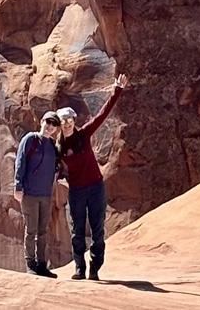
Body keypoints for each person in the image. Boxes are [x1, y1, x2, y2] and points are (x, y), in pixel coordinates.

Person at [56, 75, 128, 281]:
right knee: (77, 230)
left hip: (95, 188)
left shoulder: (84, 134)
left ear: (74, 121)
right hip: (77, 191)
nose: (67, 124)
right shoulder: (59, 147)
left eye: (69, 120)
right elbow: (55, 168)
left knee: (98, 230)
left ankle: (95, 268)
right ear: (60, 125)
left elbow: (102, 115)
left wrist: (117, 90)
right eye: (64, 122)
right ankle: (79, 268)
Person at [13, 110, 62, 277]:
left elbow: (57, 168)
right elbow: (20, 161)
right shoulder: (30, 139)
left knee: (43, 231)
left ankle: (42, 264)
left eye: (54, 125)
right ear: (42, 121)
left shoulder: (53, 146)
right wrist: (18, 186)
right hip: (30, 193)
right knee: (31, 229)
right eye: (48, 122)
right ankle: (30, 263)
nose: (50, 127)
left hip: (46, 194)